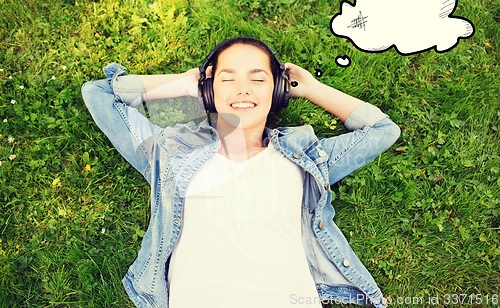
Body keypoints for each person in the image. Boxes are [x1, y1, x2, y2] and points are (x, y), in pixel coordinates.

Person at [81, 37, 400, 308]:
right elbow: (99, 94)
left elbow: (382, 130)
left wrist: (311, 89)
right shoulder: (170, 153)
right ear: (208, 91)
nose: (243, 89)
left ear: (277, 91)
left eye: (258, 79)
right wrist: (182, 83)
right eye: (227, 79)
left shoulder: (305, 158)